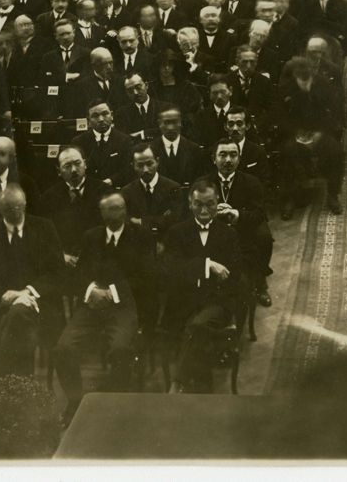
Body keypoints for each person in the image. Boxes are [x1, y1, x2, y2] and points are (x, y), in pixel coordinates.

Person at [53, 192, 155, 425]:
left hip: (124, 306)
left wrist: (113, 293)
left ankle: (113, 405)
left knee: (120, 350)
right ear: (101, 213)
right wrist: (91, 290)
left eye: (120, 208)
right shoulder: (92, 237)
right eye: (110, 210)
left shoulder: (141, 236)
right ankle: (76, 402)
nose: (117, 214)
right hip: (92, 305)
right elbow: (79, 273)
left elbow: (147, 277)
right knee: (63, 349)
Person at [0, 184, 65, 377]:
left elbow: (58, 273)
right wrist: (5, 297)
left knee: (18, 316)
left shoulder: (44, 228)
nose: (15, 212)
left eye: (19, 207)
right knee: (18, 316)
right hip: (0, 306)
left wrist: (26, 293)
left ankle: (6, 381)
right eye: (8, 209)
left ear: (25, 204)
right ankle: (21, 384)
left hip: (42, 305)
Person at [160, 182, 244, 393]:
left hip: (217, 301)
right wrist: (208, 266)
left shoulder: (229, 234)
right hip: (184, 301)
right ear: (190, 204)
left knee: (197, 326)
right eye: (198, 204)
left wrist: (195, 271)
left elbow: (232, 276)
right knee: (197, 330)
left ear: (218, 204)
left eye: (210, 204)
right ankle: (203, 386)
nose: (204, 210)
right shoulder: (177, 232)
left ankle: (177, 383)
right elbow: (171, 269)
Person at [190, 139, 273, 307]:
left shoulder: (252, 182)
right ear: (214, 159)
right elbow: (191, 212)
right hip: (211, 233)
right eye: (223, 155)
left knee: (263, 238)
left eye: (233, 155)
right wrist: (212, 213)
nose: (228, 160)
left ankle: (259, 282)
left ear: (239, 159)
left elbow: (259, 213)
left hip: (242, 233)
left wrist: (236, 214)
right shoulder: (202, 183)